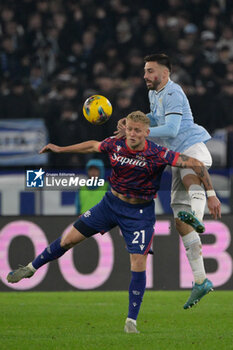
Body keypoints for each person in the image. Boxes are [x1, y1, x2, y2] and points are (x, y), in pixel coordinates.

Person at [7, 111, 221, 333]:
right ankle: (31, 268)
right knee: (68, 240)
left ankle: (131, 322)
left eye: (137, 130)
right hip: (110, 204)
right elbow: (93, 146)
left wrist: (211, 195)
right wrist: (61, 149)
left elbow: (196, 163)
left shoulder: (158, 153)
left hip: (139, 213)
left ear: (147, 133)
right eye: (129, 129)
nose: (132, 134)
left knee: (137, 265)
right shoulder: (116, 143)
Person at [116, 54, 220, 309]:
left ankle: (197, 215)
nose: (145, 76)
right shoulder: (155, 94)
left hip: (191, 148)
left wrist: (142, 134)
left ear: (164, 73)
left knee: (188, 178)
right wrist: (133, 125)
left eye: (150, 70)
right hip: (176, 155)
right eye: (144, 70)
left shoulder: (173, 92)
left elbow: (172, 129)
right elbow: (156, 117)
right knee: (179, 219)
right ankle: (201, 281)